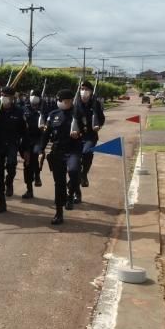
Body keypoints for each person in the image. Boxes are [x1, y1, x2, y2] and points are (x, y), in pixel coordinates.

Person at [42, 89, 88, 225]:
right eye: (62, 101)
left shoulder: (78, 114)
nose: (64, 103)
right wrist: (41, 149)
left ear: (71, 101)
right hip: (57, 152)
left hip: (73, 150)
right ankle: (59, 212)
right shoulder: (53, 114)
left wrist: (78, 134)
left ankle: (70, 194)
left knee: (74, 172)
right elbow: (46, 134)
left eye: (67, 101)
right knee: (59, 183)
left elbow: (87, 133)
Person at [0, 86, 27, 213]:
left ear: (13, 98)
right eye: (2, 95)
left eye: (7, 96)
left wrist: (25, 149)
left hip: (11, 144)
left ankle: (9, 182)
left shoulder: (19, 112)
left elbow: (24, 132)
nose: (4, 98)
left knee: (11, 165)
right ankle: (1, 202)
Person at [75, 80, 106, 187]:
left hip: (90, 135)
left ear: (91, 91)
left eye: (86, 89)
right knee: (75, 160)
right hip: (77, 135)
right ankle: (77, 180)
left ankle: (84, 174)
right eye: (82, 89)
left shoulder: (95, 103)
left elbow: (101, 118)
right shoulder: (75, 102)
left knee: (87, 152)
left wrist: (99, 126)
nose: (84, 91)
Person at [21, 90, 45, 199]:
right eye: (32, 95)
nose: (34, 97)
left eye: (36, 95)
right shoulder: (23, 109)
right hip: (26, 140)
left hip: (39, 139)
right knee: (27, 164)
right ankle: (29, 190)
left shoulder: (44, 109)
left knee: (36, 155)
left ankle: (37, 175)